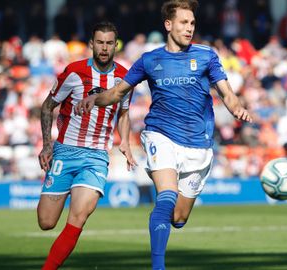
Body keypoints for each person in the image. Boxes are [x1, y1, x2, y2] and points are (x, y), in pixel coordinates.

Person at [75, 1, 251, 269]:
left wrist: (237, 108)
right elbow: (118, 93)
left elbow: (226, 93)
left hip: (198, 145)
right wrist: (95, 99)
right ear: (168, 25)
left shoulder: (206, 56)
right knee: (165, 198)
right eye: (183, 22)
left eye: (192, 23)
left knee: (179, 218)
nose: (189, 28)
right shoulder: (149, 60)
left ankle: (165, 223)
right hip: (161, 135)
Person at [37, 21, 136, 270]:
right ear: (92, 44)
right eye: (100, 42)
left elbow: (123, 113)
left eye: (109, 43)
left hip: (96, 157)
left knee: (79, 216)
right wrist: (47, 145)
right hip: (65, 151)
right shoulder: (74, 71)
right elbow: (48, 106)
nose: (104, 48)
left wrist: (124, 141)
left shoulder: (125, 77)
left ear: (116, 45)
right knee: (46, 222)